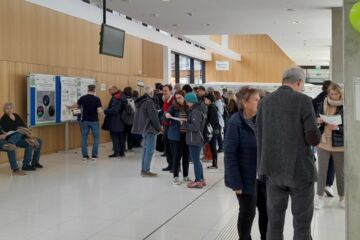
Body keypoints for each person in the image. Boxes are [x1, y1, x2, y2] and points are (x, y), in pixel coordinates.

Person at [256, 66, 321, 240]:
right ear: (299, 82)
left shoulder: (264, 102)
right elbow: (313, 139)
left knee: (274, 224)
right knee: (301, 225)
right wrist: (317, 125)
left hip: (272, 171)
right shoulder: (304, 101)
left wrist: (261, 169)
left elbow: (259, 136)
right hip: (299, 171)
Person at [224, 86, 267, 240]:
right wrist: (236, 182)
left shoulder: (262, 119)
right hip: (245, 178)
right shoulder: (235, 122)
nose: (259, 102)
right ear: (245, 102)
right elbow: (230, 154)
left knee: (266, 211)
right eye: (256, 100)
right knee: (248, 213)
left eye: (259, 99)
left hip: (263, 176)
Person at [315, 83, 345, 209]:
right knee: (321, 171)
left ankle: (343, 198)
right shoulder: (322, 104)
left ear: (340, 94)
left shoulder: (345, 107)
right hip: (323, 143)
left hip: (339, 146)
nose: (333, 96)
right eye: (331, 94)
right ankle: (319, 198)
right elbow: (316, 120)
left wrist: (337, 127)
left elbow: (350, 128)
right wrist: (318, 120)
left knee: (340, 173)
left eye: (336, 94)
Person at [1, 103, 44, 170]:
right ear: (4, 110)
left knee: (40, 141)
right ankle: (26, 165)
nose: (9, 110)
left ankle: (35, 163)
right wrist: (19, 129)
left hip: (23, 135)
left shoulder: (16, 115)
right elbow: (8, 129)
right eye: (7, 108)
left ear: (13, 109)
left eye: (11, 108)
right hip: (13, 138)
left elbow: (23, 125)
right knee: (29, 143)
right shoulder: (4, 119)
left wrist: (25, 131)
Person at [313, 80, 335, 197]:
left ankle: (323, 186)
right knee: (331, 160)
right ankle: (328, 184)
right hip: (331, 133)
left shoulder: (316, 100)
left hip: (321, 133)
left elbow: (312, 116)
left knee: (324, 160)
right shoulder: (332, 100)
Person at [132, 86, 161, 177]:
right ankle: (146, 170)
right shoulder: (149, 102)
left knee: (145, 149)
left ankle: (144, 169)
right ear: (151, 92)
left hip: (144, 128)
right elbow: (154, 117)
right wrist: (159, 128)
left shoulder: (141, 102)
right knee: (150, 150)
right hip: (150, 128)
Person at [165, 90, 191, 185]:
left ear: (184, 97)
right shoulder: (173, 107)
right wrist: (166, 115)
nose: (178, 99)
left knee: (186, 156)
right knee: (176, 157)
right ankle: (175, 177)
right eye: (176, 98)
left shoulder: (188, 107)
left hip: (186, 135)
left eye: (180, 97)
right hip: (176, 136)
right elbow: (164, 117)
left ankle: (185, 176)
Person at [184, 92, 207, 188]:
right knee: (197, 160)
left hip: (195, 139)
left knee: (196, 160)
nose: (186, 103)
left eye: (186, 101)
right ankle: (201, 179)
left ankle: (198, 180)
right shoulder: (200, 108)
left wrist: (185, 123)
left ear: (190, 101)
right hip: (198, 138)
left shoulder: (195, 111)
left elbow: (195, 127)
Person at [74, 84, 103, 161]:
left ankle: (85, 156)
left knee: (84, 138)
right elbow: (99, 111)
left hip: (84, 121)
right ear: (94, 90)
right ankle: (94, 155)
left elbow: (77, 106)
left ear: (87, 89)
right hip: (94, 121)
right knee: (96, 138)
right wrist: (103, 116)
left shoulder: (83, 98)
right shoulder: (97, 99)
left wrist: (70, 106)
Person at [104, 86, 128, 158]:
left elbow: (115, 110)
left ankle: (116, 153)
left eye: (109, 90)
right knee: (121, 137)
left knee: (114, 137)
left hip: (115, 120)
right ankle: (121, 152)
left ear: (114, 90)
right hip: (121, 120)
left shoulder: (116, 97)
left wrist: (104, 111)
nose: (109, 91)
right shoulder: (122, 96)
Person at [204, 93, 221, 169]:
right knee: (212, 147)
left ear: (209, 100)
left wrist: (208, 129)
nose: (205, 100)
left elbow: (211, 120)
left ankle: (215, 164)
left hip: (213, 130)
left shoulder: (211, 108)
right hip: (215, 129)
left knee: (213, 147)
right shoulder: (213, 107)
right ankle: (214, 163)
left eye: (206, 99)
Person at [161, 84, 174, 172]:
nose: (164, 92)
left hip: (172, 126)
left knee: (173, 147)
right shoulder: (165, 100)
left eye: (166, 91)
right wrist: (162, 125)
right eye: (163, 91)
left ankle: (175, 166)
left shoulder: (174, 101)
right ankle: (170, 164)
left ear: (171, 91)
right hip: (166, 125)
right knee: (167, 147)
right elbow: (164, 113)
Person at [123, 86, 135, 152]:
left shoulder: (123, 99)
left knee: (124, 134)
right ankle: (130, 146)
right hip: (131, 119)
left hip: (124, 119)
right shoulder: (132, 100)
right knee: (130, 134)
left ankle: (123, 147)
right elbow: (134, 110)